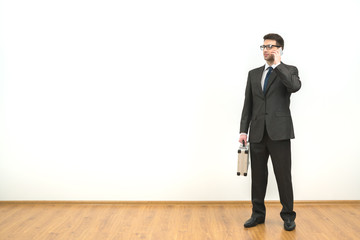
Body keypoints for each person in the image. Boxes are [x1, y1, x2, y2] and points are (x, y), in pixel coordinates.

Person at [239, 33, 301, 231]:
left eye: (270, 46)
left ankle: (288, 216)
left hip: (279, 133)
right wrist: (243, 131)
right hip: (257, 132)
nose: (266, 50)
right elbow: (247, 105)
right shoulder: (253, 74)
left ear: (279, 49)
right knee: (258, 176)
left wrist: (278, 64)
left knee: (283, 176)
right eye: (263, 46)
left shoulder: (289, 70)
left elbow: (294, 86)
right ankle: (257, 214)